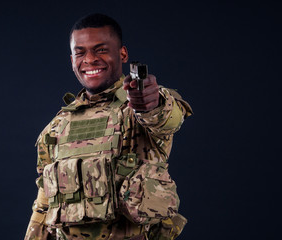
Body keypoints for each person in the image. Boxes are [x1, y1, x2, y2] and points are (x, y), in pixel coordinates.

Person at [25, 13, 193, 240]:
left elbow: (168, 119)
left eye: (101, 49)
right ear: (72, 59)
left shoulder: (138, 109)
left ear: (122, 54)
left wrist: (150, 103)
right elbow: (44, 202)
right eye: (80, 52)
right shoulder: (55, 128)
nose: (90, 59)